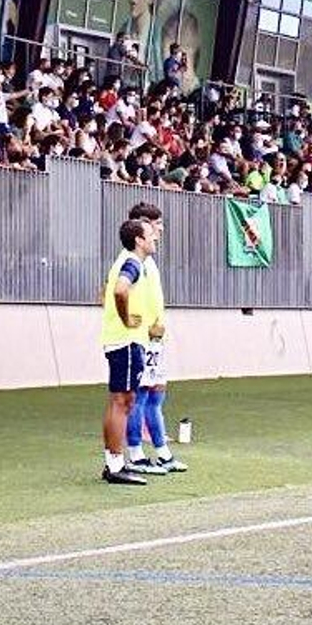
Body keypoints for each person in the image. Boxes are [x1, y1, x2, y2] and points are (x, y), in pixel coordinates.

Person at [123, 202, 187, 475]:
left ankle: (162, 453)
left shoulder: (148, 261)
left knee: (156, 394)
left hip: (155, 338)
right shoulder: (130, 261)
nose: (160, 229)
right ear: (142, 225)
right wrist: (133, 322)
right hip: (141, 338)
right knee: (138, 396)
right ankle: (136, 454)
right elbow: (113, 293)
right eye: (156, 224)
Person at [100, 218, 154, 486]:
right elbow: (120, 290)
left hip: (119, 340)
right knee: (123, 400)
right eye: (150, 234)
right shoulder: (132, 262)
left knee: (119, 400)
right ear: (139, 240)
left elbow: (104, 293)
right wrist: (125, 319)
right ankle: (115, 465)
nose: (155, 237)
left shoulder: (124, 261)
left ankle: (113, 461)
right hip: (127, 341)